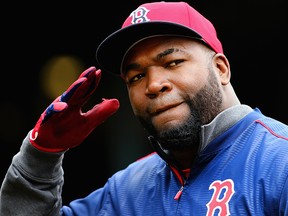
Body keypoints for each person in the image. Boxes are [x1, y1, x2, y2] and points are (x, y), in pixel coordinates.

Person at [1, 1, 287, 215]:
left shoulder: (280, 161)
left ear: (221, 69)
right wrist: (39, 158)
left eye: (172, 62)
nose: (153, 84)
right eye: (136, 76)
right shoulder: (126, 189)